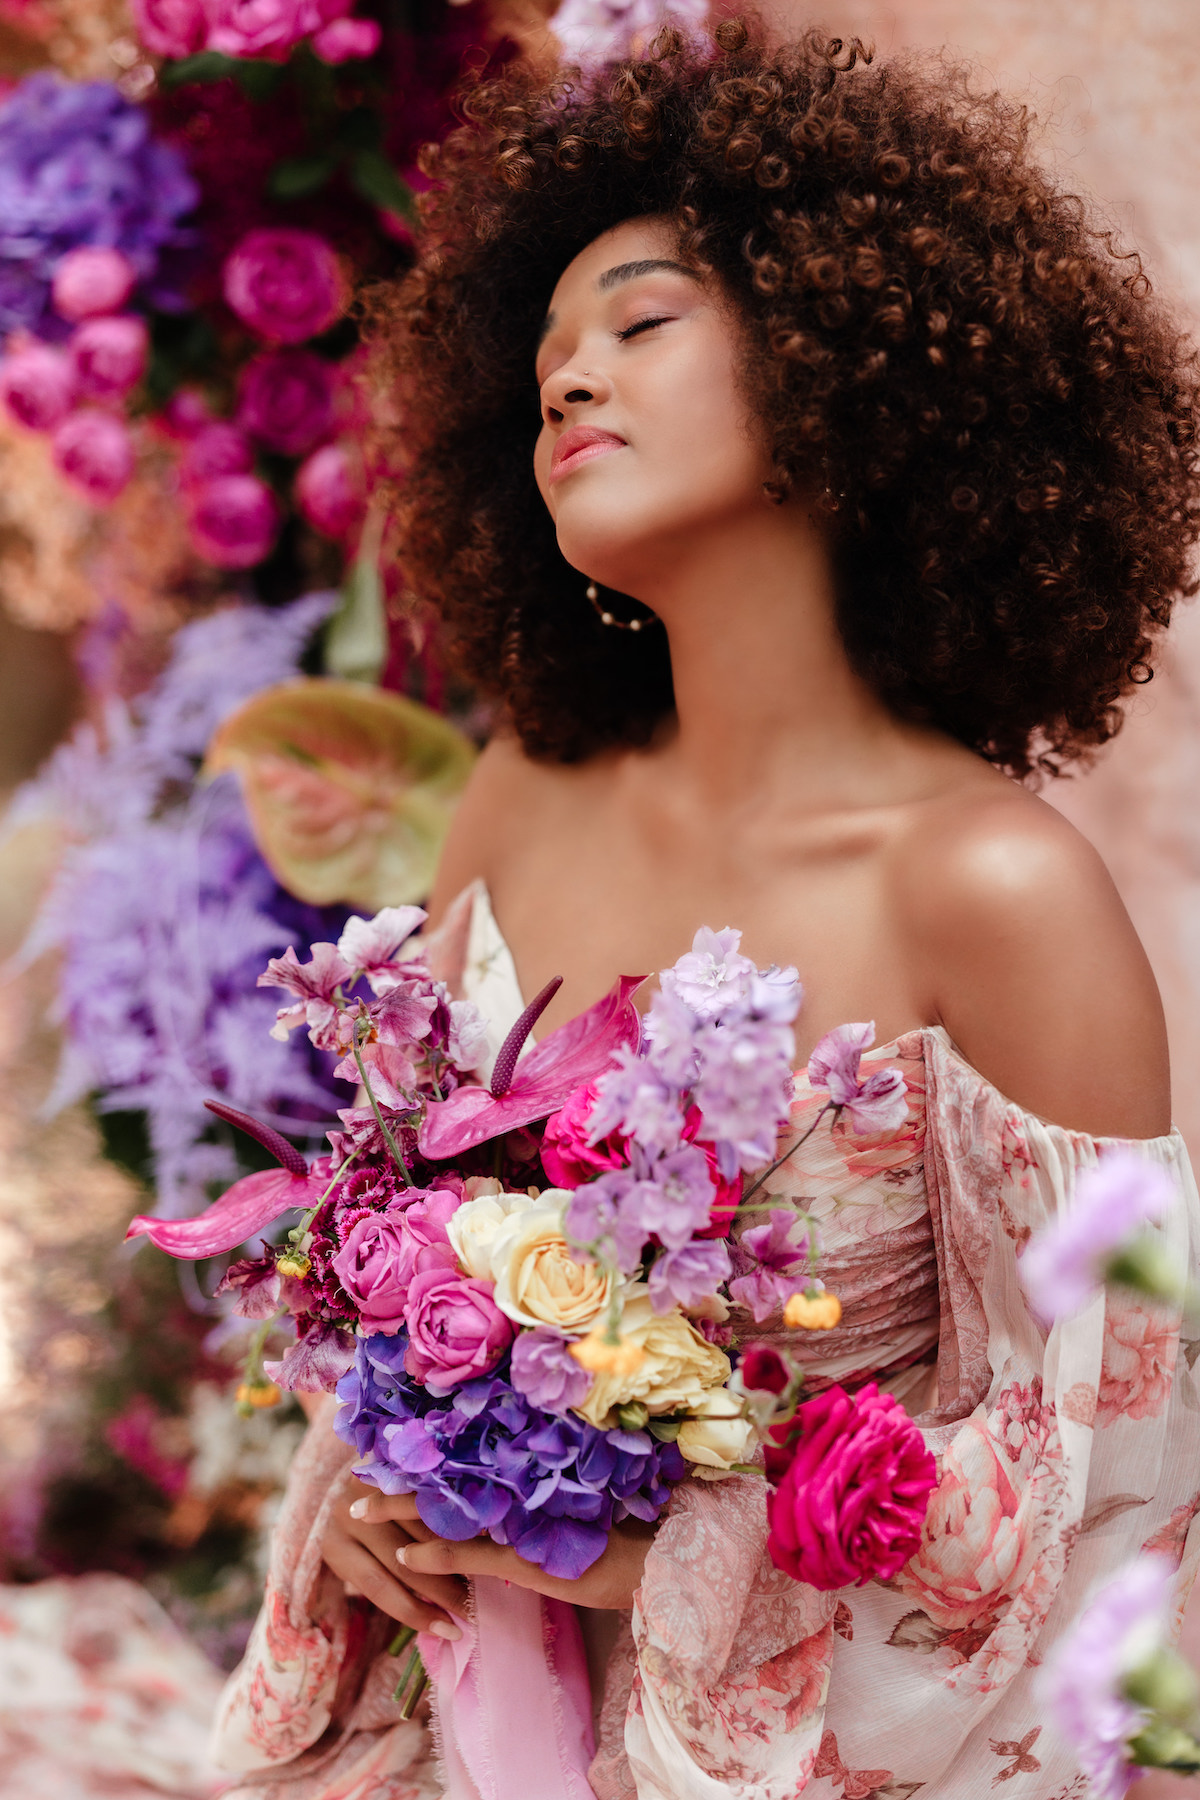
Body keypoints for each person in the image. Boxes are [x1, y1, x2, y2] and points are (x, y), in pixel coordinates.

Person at [210, 22, 1200, 1798]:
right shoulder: (512, 802)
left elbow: (1116, 1486)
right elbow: (391, 1268)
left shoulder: (994, 889)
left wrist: (684, 1555)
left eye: (641, 323)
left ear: (849, 366)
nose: (569, 382)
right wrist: (367, 1496)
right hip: (462, 1727)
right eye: (544, 362)